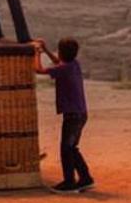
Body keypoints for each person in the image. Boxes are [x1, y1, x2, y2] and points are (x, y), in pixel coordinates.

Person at [32, 37, 93, 193]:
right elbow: (59, 62)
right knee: (72, 148)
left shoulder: (64, 69)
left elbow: (38, 69)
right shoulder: (73, 65)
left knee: (66, 149)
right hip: (80, 114)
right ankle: (85, 178)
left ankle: (69, 182)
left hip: (72, 115)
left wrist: (36, 53)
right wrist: (45, 50)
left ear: (61, 51)